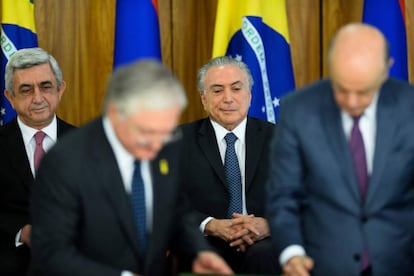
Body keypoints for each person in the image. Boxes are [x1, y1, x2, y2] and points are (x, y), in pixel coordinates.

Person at [30, 59, 233, 276]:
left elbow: (175, 210)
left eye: (165, 132)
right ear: (115, 113)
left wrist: (199, 252)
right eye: (147, 133)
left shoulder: (167, 143)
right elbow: (51, 254)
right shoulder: (65, 161)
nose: (157, 145)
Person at [266, 22, 414, 276]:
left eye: (364, 92)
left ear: (386, 70)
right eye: (342, 90)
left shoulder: (409, 107)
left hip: (401, 262)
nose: (352, 102)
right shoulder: (298, 110)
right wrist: (292, 252)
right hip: (323, 265)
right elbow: (283, 195)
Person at [177, 56, 280, 274]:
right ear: (203, 99)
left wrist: (268, 225)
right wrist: (210, 224)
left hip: (264, 244)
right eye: (217, 90)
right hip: (205, 240)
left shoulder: (280, 139)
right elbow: (165, 201)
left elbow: (305, 196)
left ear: (250, 96)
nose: (228, 98)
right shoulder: (178, 141)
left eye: (236, 89)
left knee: (263, 255)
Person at [0, 47, 75, 275]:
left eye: (45, 86)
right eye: (25, 90)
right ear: (10, 98)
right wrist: (21, 231)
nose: (38, 98)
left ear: (60, 90)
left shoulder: (90, 145)